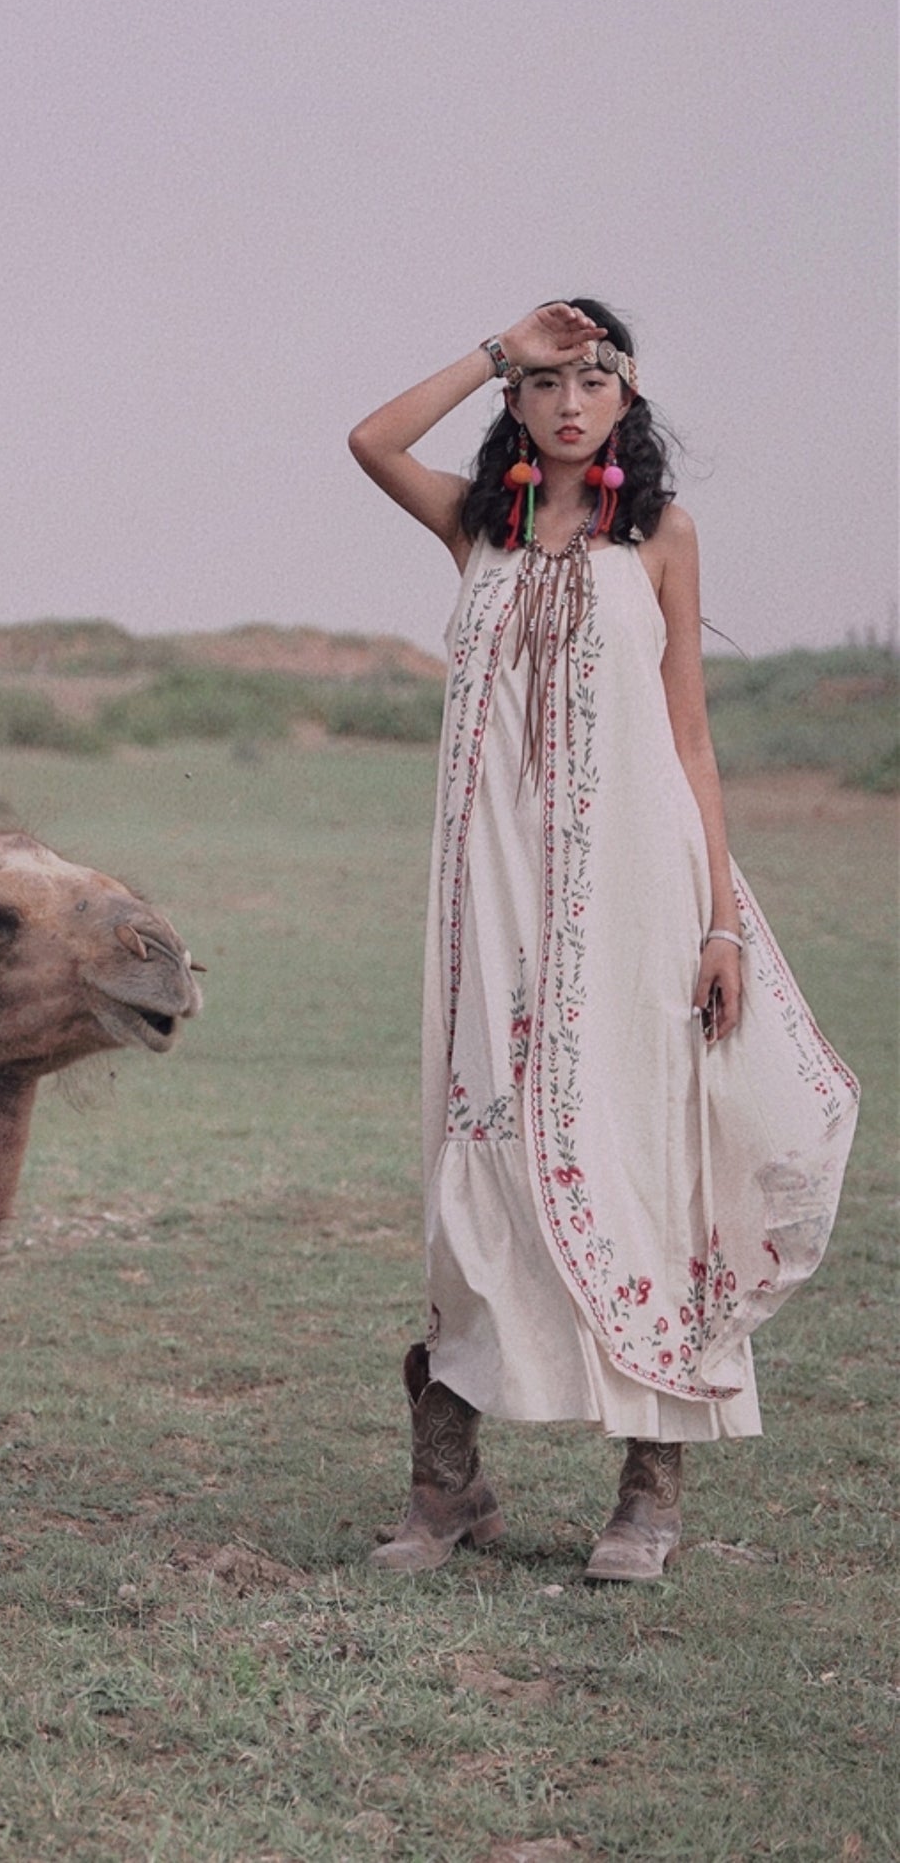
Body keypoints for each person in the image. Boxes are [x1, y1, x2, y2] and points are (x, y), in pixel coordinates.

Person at [348, 300, 859, 1581]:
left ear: (624, 398)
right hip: (491, 907)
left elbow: (689, 737)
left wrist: (718, 920)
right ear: (511, 406)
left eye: (589, 378)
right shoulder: (479, 530)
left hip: (634, 901)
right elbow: (366, 437)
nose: (566, 401)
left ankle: (648, 1488)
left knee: (636, 1159)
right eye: (539, 382)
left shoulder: (663, 540)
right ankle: (448, 1485)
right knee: (484, 1158)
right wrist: (485, 345)